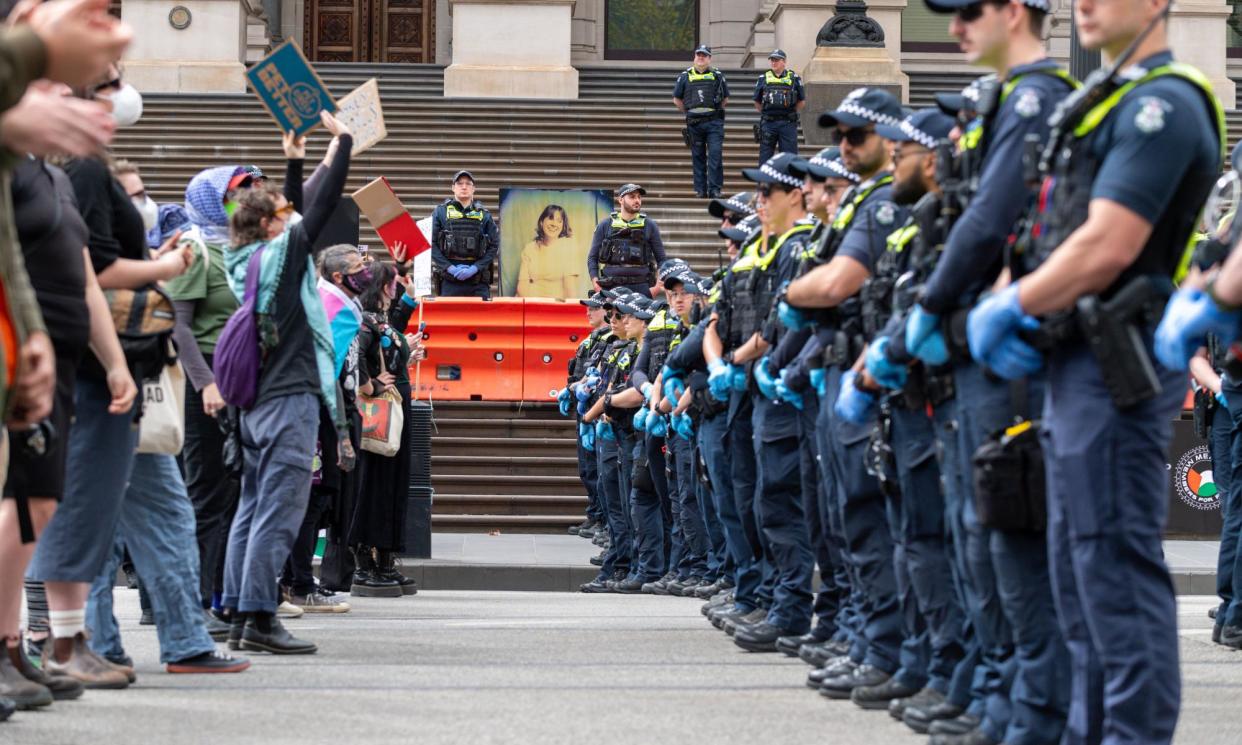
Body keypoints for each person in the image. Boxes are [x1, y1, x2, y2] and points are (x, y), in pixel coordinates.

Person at [968, 0, 1220, 742]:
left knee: (1112, 575)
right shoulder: (1103, 102)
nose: (1083, 1)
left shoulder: (1163, 105)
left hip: (1115, 368)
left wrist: (1010, 302)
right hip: (1071, 363)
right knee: (1079, 582)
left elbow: (1108, 243)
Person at [899, 3, 1077, 742]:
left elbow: (992, 220)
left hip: (1005, 353)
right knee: (980, 534)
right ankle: (1005, 696)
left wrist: (934, 304)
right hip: (972, 350)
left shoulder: (1034, 98)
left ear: (1014, 10)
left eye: (968, 10)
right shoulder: (1013, 99)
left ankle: (1030, 708)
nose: (954, 28)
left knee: (1007, 532)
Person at [781, 87, 910, 701]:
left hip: (871, 373)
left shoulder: (885, 201)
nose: (843, 147)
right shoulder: (868, 200)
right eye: (840, 136)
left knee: (867, 516)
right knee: (844, 515)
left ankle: (881, 646)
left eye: (855, 136)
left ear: (891, 138)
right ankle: (867, 639)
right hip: (845, 365)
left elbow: (838, 285)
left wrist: (794, 297)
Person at [221, 110, 354, 655]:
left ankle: (236, 612)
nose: (290, 216)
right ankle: (259, 617)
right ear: (273, 224)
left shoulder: (246, 259)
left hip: (255, 405)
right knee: (278, 511)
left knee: (252, 509)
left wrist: (296, 157)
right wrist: (343, 141)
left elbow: (299, 210)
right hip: (287, 401)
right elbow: (316, 210)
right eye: (281, 213)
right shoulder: (283, 256)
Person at [348, 261, 420, 597]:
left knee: (393, 483)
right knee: (375, 482)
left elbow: (391, 341)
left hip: (397, 406)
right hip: (382, 408)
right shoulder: (365, 320)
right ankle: (366, 562)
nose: (396, 287)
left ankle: (386, 561)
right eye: (393, 282)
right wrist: (370, 386)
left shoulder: (381, 320)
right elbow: (356, 355)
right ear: (381, 286)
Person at [587, 183, 667, 297]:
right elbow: (592, 258)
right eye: (632, 197)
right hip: (610, 286)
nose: (637, 200)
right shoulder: (605, 225)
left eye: (639, 197)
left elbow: (662, 259)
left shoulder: (650, 225)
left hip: (642, 287)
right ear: (620, 200)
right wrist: (596, 284)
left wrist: (657, 287)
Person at [430, 170, 498, 299]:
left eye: (468, 183)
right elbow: (430, 244)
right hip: (450, 281)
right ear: (453, 188)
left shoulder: (484, 214)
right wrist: (450, 268)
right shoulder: (440, 212)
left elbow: (494, 245)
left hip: (478, 281)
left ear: (474, 189)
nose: (464, 186)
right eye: (460, 183)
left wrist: (475, 268)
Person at [673, 44, 728, 199]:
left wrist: (713, 112)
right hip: (694, 124)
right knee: (698, 157)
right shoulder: (685, 76)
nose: (701, 58)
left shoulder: (717, 75)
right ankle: (700, 190)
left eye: (704, 55)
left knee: (715, 155)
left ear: (709, 58)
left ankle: (715, 189)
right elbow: (677, 99)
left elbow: (725, 99)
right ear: (694, 57)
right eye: (698, 55)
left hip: (714, 123)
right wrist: (689, 112)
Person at [516, 204, 583, 298]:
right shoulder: (529, 248)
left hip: (555, 306)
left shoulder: (568, 246)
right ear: (541, 222)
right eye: (550, 218)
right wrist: (530, 307)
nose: (554, 224)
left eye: (559, 221)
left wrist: (570, 310)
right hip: (529, 302)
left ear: (563, 226)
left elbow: (570, 288)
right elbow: (522, 286)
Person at [753, 49, 805, 164]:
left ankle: (788, 182)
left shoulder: (794, 78)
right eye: (772, 60)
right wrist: (767, 113)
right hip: (769, 124)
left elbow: (801, 101)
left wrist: (789, 113)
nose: (773, 63)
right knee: (765, 158)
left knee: (789, 159)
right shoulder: (763, 78)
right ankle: (764, 182)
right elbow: (757, 101)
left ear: (784, 62)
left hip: (788, 124)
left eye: (776, 60)